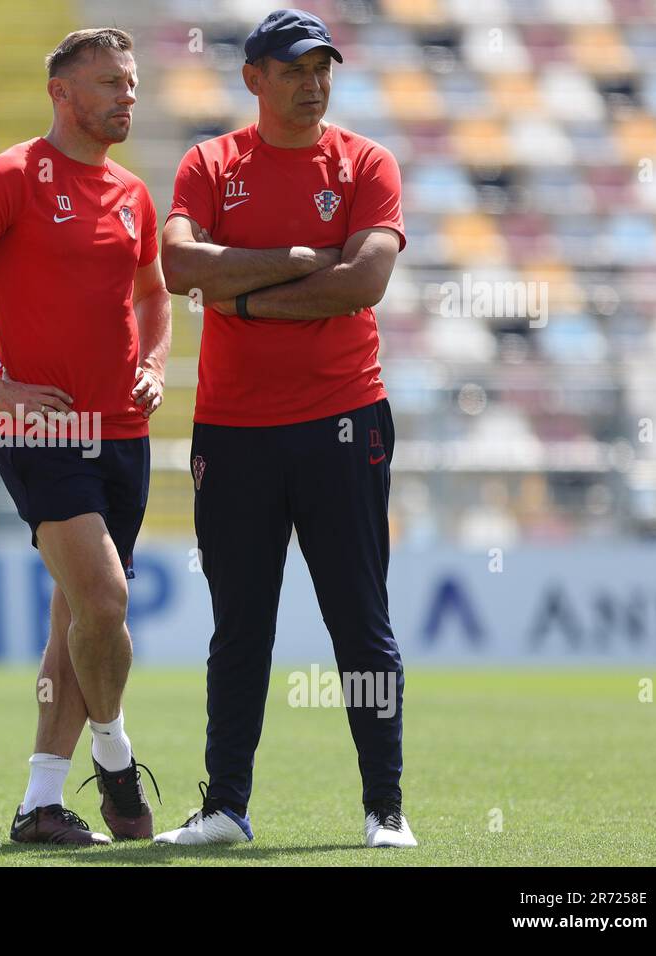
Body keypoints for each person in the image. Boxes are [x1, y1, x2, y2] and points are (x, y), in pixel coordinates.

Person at [154, 8, 415, 848]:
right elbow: (178, 265)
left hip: (344, 419)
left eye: (322, 68)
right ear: (254, 77)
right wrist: (303, 262)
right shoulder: (209, 162)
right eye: (294, 68)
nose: (313, 83)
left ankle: (385, 809)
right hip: (232, 431)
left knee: (359, 619)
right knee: (240, 625)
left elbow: (364, 282)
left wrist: (240, 299)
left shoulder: (367, 161)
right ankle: (225, 806)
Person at [0, 28, 172, 845]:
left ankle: (40, 805)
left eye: (130, 83)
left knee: (76, 624)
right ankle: (116, 756)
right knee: (105, 599)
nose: (127, 96)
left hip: (124, 432)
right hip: (43, 430)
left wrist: (156, 363)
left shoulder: (132, 194)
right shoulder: (12, 177)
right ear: (62, 94)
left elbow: (154, 294)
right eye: (109, 84)